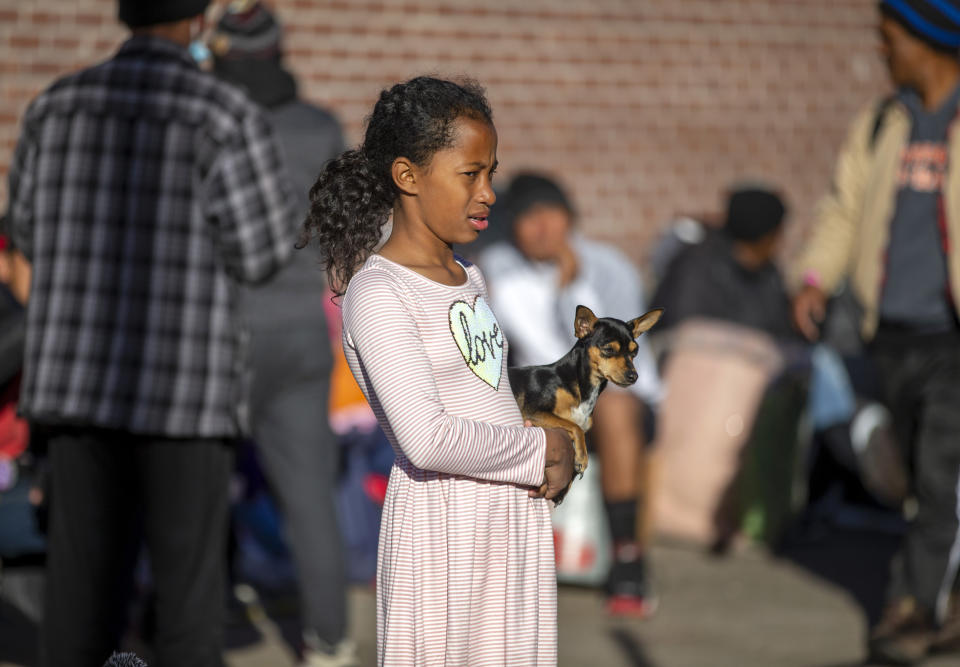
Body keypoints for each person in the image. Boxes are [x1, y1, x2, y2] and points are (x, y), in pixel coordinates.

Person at [6, 1, 297, 665]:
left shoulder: (55, 108)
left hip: (76, 388)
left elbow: (24, 229)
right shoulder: (224, 114)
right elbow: (262, 251)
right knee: (187, 607)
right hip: (185, 394)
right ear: (197, 22)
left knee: (77, 601)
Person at [300, 76, 575, 666]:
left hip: (508, 521)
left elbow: (486, 399)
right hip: (445, 531)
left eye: (491, 173)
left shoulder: (468, 276)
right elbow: (425, 437)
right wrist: (541, 449)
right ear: (408, 176)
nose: (489, 194)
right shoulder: (378, 293)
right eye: (470, 174)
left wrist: (553, 454)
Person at [791, 1, 960, 662]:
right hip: (890, 332)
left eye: (889, 39)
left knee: (942, 470)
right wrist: (814, 277)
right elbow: (842, 209)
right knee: (917, 476)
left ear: (928, 39)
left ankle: (909, 609)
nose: (881, 52)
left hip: (952, 334)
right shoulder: (881, 123)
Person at [207, 4, 355, 665]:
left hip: (218, 332)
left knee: (197, 490)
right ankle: (330, 640)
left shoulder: (205, 122)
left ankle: (201, 625)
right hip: (301, 330)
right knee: (310, 496)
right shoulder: (320, 126)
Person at [477, 173, 662, 617]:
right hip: (539, 399)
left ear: (570, 218)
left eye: (551, 214)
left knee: (616, 407)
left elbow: (639, 371)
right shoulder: (498, 268)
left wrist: (574, 287)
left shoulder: (608, 266)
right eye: (528, 217)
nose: (542, 228)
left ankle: (627, 558)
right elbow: (543, 360)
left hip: (613, 405)